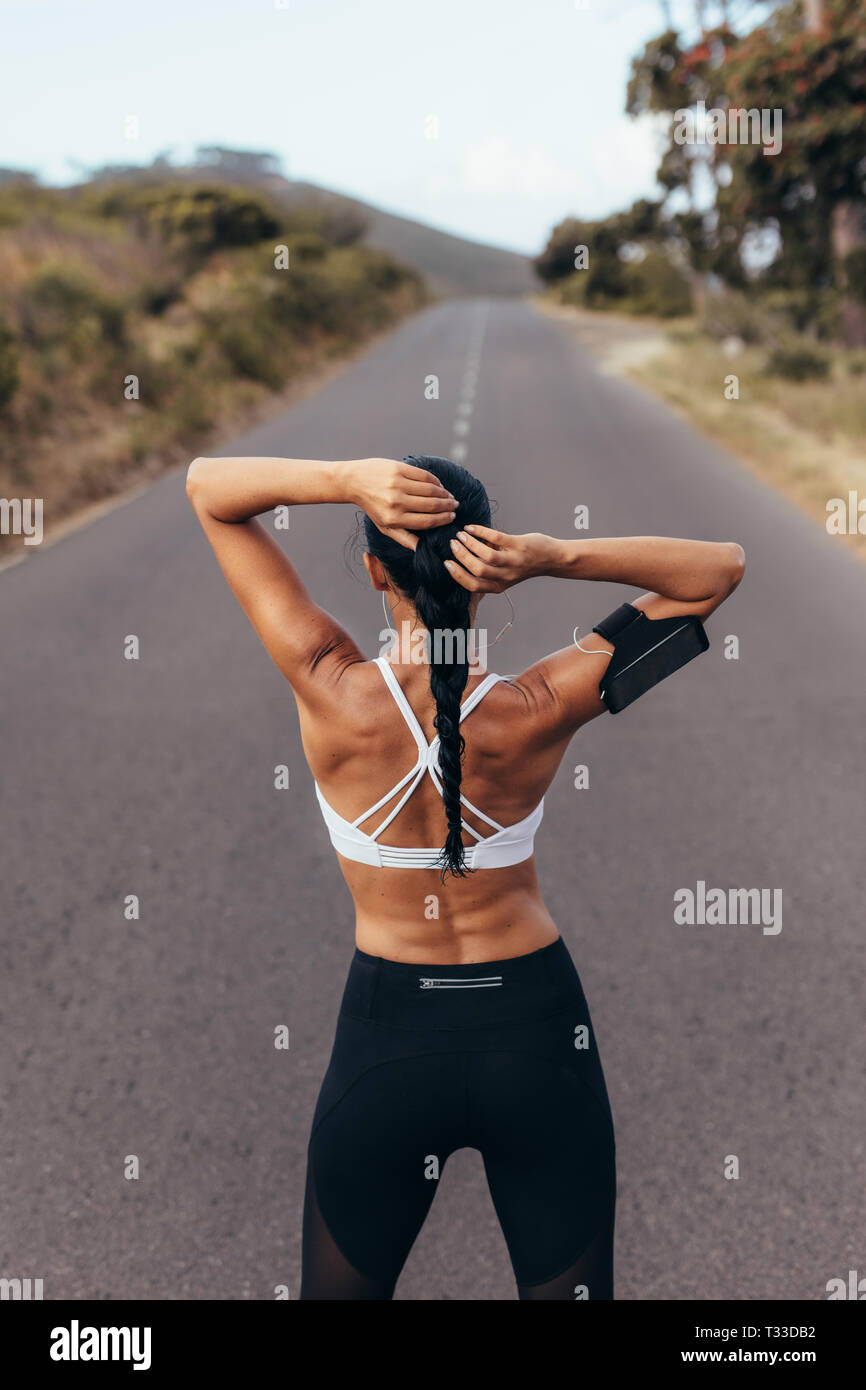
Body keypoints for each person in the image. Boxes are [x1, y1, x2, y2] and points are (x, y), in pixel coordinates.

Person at [186, 451, 745, 1300]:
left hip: (389, 1034)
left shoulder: (326, 683)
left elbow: (208, 489)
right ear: (484, 574)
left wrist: (347, 481)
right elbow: (718, 573)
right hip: (537, 1030)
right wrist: (552, 555)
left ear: (375, 569)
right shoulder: (543, 706)